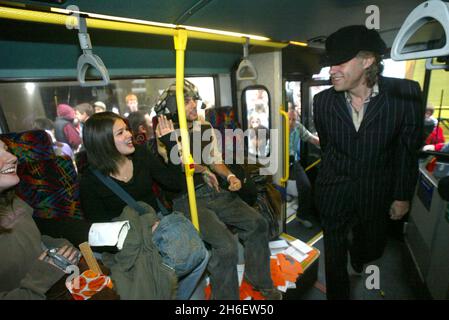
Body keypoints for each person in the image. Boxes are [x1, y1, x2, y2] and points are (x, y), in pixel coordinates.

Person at [313, 25, 423, 299]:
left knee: (372, 248)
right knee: (334, 254)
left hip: (376, 191)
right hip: (334, 190)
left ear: (368, 60)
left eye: (340, 62)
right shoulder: (322, 102)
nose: (331, 71)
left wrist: (401, 196)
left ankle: (360, 256)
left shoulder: (405, 95)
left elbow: (406, 152)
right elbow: (328, 148)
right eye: (330, 63)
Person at [154, 80, 282, 300]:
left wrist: (230, 176)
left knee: (257, 223)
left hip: (210, 190)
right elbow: (183, 166)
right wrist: (203, 169)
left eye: (194, 100)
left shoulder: (205, 128)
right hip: (186, 198)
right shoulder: (165, 136)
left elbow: (215, 161)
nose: (194, 105)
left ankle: (258, 279)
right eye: (187, 102)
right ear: (174, 108)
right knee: (226, 246)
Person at [79, 111, 207, 299]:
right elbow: (99, 232)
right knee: (157, 274)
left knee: (200, 256)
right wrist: (143, 231)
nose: (130, 135)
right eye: (120, 133)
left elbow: (174, 183)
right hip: (127, 240)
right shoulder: (90, 181)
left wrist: (171, 142)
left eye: (127, 129)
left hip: (157, 224)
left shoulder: (140, 155)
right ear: (104, 142)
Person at [0, 138, 80, 299]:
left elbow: (31, 237)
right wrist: (40, 279)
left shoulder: (12, 200)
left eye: (5, 149)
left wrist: (58, 246)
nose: (12, 157)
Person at [288, 108, 320, 229]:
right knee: (277, 188)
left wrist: (326, 143)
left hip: (294, 161)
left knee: (306, 186)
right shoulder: (278, 127)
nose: (291, 122)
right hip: (279, 161)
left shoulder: (298, 127)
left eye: (293, 119)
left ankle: (301, 215)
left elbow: (311, 138)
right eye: (289, 119)